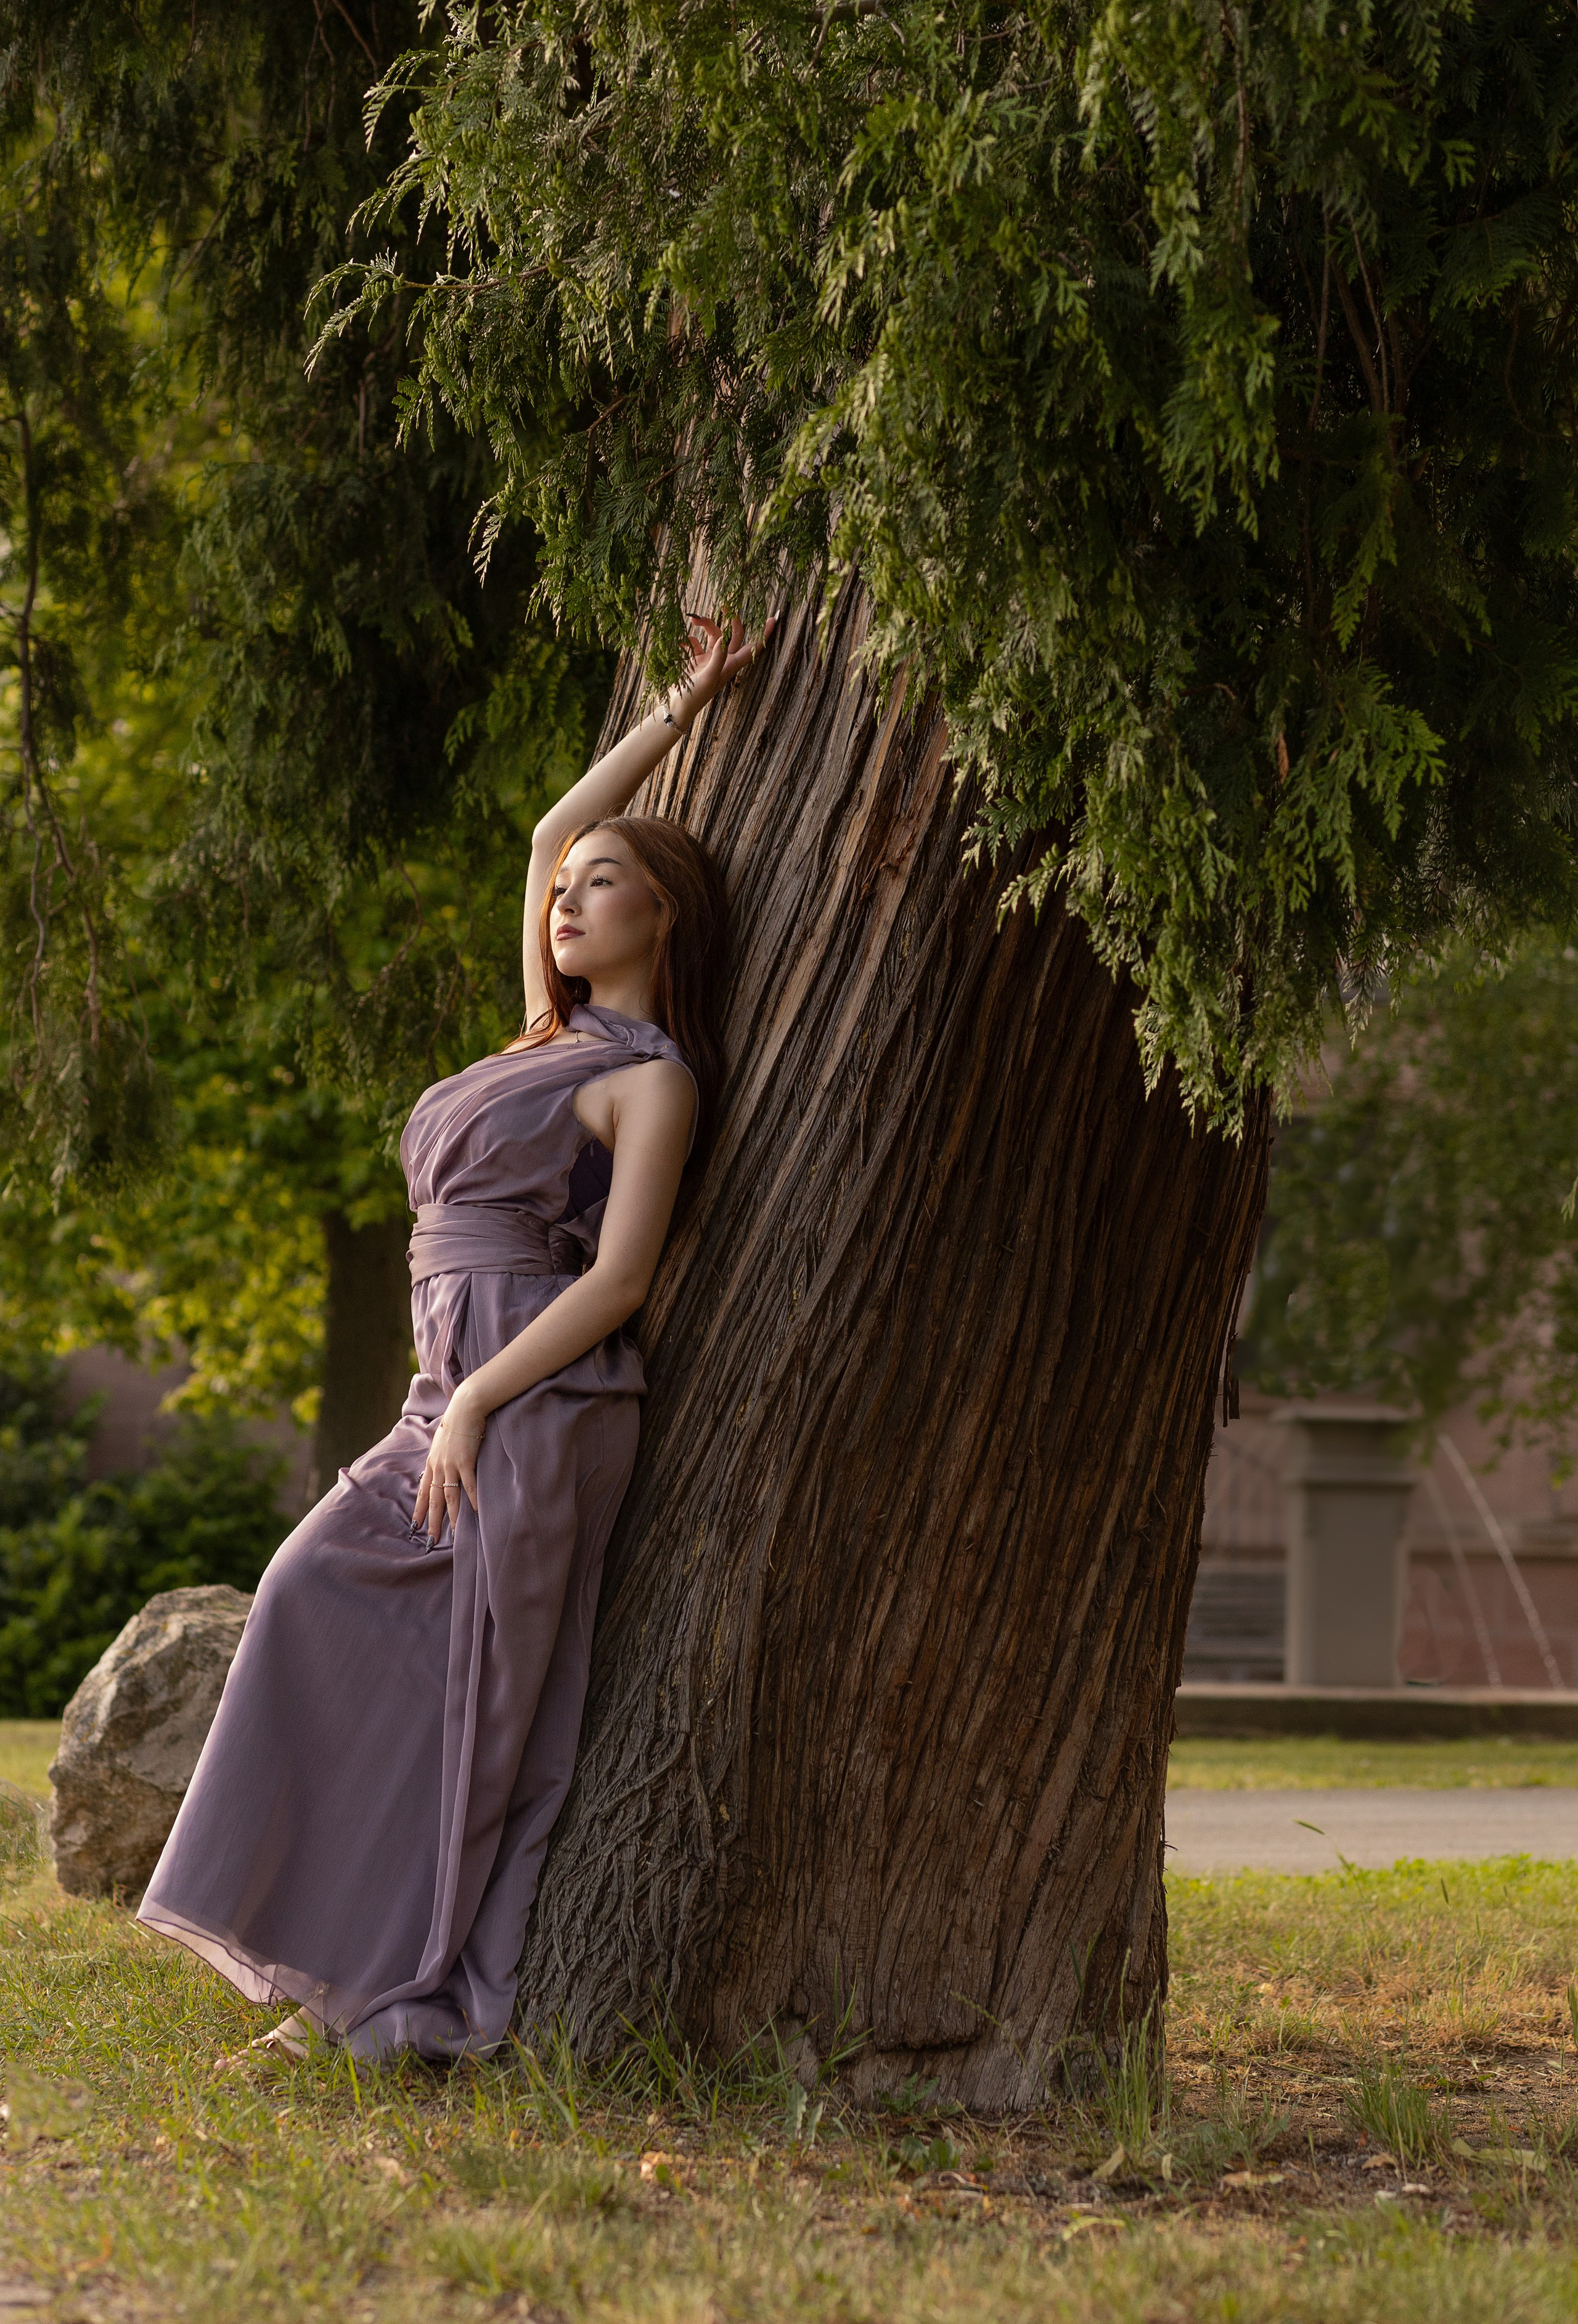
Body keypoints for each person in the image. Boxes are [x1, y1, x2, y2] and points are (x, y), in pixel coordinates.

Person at [136, 610, 774, 2061]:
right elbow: (555, 819)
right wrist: (688, 694)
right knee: (307, 1596)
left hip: (541, 1399)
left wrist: (481, 1396)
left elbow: (617, 1280)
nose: (567, 896)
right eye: (565, 889)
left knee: (483, 1708)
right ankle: (320, 1954)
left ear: (658, 919)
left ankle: (397, 1993)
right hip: (453, 1387)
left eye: (602, 887)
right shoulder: (537, 1037)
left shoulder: (649, 1081)